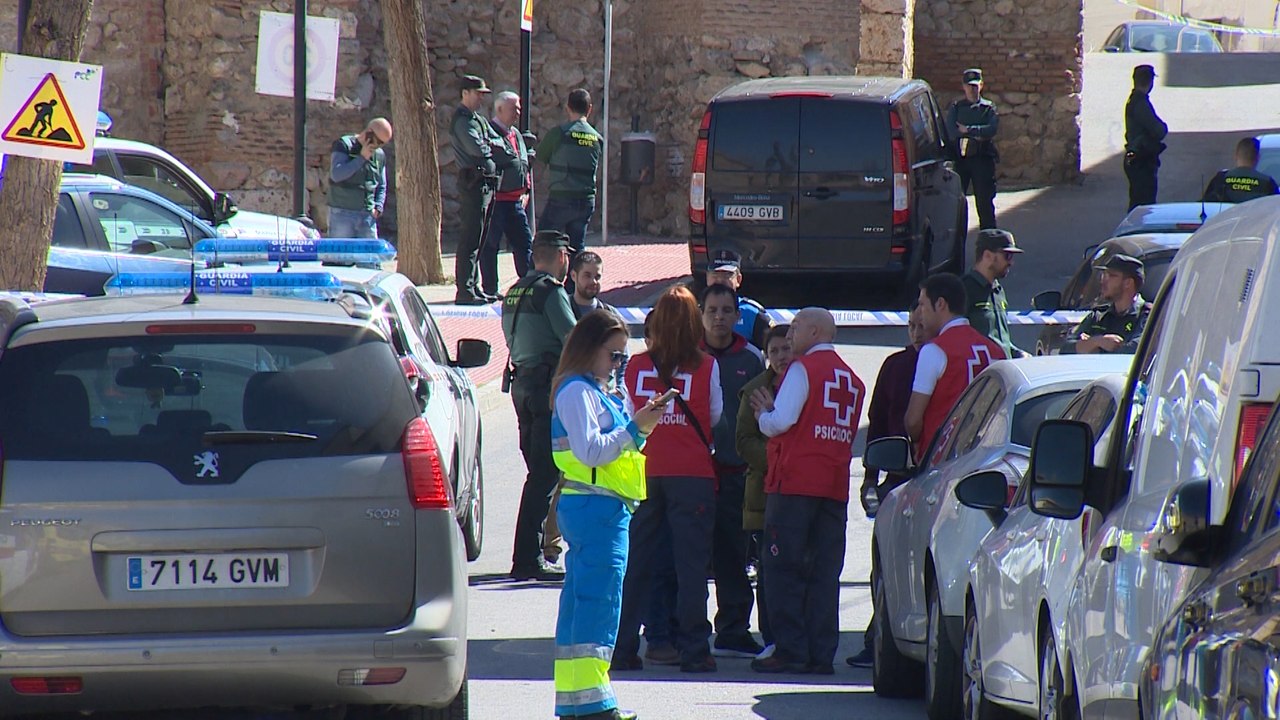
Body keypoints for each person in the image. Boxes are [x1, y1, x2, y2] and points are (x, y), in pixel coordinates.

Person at [550, 310, 665, 720]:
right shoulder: (577, 392)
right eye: (614, 356)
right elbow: (592, 451)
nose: (619, 365)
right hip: (597, 509)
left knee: (585, 605)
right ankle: (595, 705)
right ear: (588, 349)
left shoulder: (592, 391)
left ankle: (580, 703)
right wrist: (636, 428)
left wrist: (639, 426)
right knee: (600, 604)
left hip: (599, 507)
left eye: (624, 358)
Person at [747, 308, 865, 675]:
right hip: (832, 486)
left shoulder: (803, 369)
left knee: (783, 569)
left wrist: (764, 415)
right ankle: (820, 652)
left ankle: (791, 649)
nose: (791, 333)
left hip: (795, 483)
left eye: (796, 327)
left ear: (815, 332)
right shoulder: (852, 379)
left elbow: (780, 422)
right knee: (824, 572)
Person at [614, 286, 723, 674]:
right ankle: (695, 649)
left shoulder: (635, 367)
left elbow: (629, 418)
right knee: (692, 567)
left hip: (645, 472)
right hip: (692, 474)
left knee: (636, 562)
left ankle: (623, 646)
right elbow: (714, 415)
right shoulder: (707, 367)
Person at [846, 305, 932, 668]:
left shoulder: (940, 363)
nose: (914, 332)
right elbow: (878, 421)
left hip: (930, 475)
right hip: (895, 477)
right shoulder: (895, 365)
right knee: (885, 562)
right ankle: (877, 636)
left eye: (921, 326)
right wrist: (870, 476)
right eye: (910, 326)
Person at [502, 230, 578, 581]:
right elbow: (574, 338)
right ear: (562, 256)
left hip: (521, 385)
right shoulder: (551, 291)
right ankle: (526, 560)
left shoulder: (514, 291)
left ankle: (526, 556)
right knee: (545, 476)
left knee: (538, 475)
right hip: (545, 388)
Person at [699, 284, 766, 659]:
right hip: (694, 473)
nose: (720, 317)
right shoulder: (690, 355)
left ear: (738, 317)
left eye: (727, 311)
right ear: (701, 314)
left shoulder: (752, 359)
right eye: (713, 310)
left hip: (736, 472)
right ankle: (686, 627)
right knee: (691, 555)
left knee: (733, 554)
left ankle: (733, 628)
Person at [735, 323, 793, 661]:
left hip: (801, 489)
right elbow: (743, 441)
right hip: (764, 491)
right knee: (768, 572)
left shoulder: (805, 384)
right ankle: (771, 637)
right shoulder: (755, 390)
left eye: (787, 348)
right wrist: (778, 461)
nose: (781, 356)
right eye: (774, 351)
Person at [905, 273, 1004, 462]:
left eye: (923, 304)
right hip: (985, 458)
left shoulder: (934, 350)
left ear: (940, 304)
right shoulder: (995, 350)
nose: (920, 312)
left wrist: (917, 441)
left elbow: (913, 420)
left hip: (942, 460)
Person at [452, 74, 517, 305]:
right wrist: (492, 145)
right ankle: (465, 290)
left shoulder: (477, 119)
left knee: (480, 238)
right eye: (478, 93)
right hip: (473, 183)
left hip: (486, 182)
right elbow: (478, 148)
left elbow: (496, 142)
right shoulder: (463, 121)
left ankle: (474, 287)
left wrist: (492, 144)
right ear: (465, 93)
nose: (481, 98)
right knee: (470, 238)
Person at [536, 88, 604, 254]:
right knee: (576, 247)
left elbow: (539, 162)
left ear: (567, 107)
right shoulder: (597, 138)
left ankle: (540, 278)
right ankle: (574, 279)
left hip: (561, 198)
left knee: (544, 243)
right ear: (589, 109)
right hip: (586, 200)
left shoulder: (558, 134)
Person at [483, 91, 535, 295]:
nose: (518, 112)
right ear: (500, 109)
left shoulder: (516, 134)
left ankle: (528, 286)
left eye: (519, 108)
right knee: (490, 246)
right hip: (497, 201)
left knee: (524, 244)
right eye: (514, 108)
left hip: (515, 201)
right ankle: (490, 289)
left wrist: (526, 189)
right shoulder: (490, 133)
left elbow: (523, 163)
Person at [945, 68, 1000, 230]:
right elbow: (952, 131)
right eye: (969, 86)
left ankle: (988, 241)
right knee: (956, 203)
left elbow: (991, 130)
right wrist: (977, 132)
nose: (972, 89)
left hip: (982, 158)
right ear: (963, 87)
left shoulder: (988, 108)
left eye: (975, 86)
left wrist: (968, 130)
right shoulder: (957, 107)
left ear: (981, 86)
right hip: (961, 159)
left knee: (984, 203)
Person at [1061, 254, 1150, 355]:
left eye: (1111, 276)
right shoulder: (1098, 315)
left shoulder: (1147, 316)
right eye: (1104, 274)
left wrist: (1091, 348)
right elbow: (1066, 350)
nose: (1103, 280)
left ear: (1128, 283)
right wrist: (1096, 341)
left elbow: (1135, 351)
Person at [962, 228, 1029, 359]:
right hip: (980, 373)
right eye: (1007, 256)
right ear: (987, 256)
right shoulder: (963, 290)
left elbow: (1001, 339)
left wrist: (1017, 353)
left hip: (1003, 371)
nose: (1011, 262)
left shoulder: (998, 291)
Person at [569, 250, 629, 389]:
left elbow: (624, 357)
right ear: (573, 275)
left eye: (597, 276)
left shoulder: (610, 313)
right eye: (587, 276)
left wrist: (620, 388)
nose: (593, 281)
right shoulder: (563, 310)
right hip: (574, 389)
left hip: (604, 392)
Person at [328, 117, 392, 239]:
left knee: (369, 257)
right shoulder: (344, 145)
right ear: (369, 132)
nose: (378, 146)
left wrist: (378, 207)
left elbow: (381, 185)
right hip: (342, 213)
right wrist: (362, 158)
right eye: (378, 141)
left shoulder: (379, 155)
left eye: (382, 143)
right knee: (341, 256)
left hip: (367, 215)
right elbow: (336, 174)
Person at [706, 249, 773, 350]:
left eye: (726, 275)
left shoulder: (752, 314)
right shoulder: (697, 313)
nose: (719, 280)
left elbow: (771, 351)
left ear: (738, 279)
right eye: (715, 275)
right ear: (707, 278)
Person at [1124, 64, 1168, 211]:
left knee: (1139, 201)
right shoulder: (1141, 103)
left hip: (1136, 158)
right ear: (1150, 83)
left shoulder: (1134, 100)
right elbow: (1158, 129)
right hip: (1141, 160)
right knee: (1143, 205)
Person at [1202, 137, 1280, 203]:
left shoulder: (1221, 179)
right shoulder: (1267, 183)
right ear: (1257, 158)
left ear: (1236, 155)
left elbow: (1206, 206)